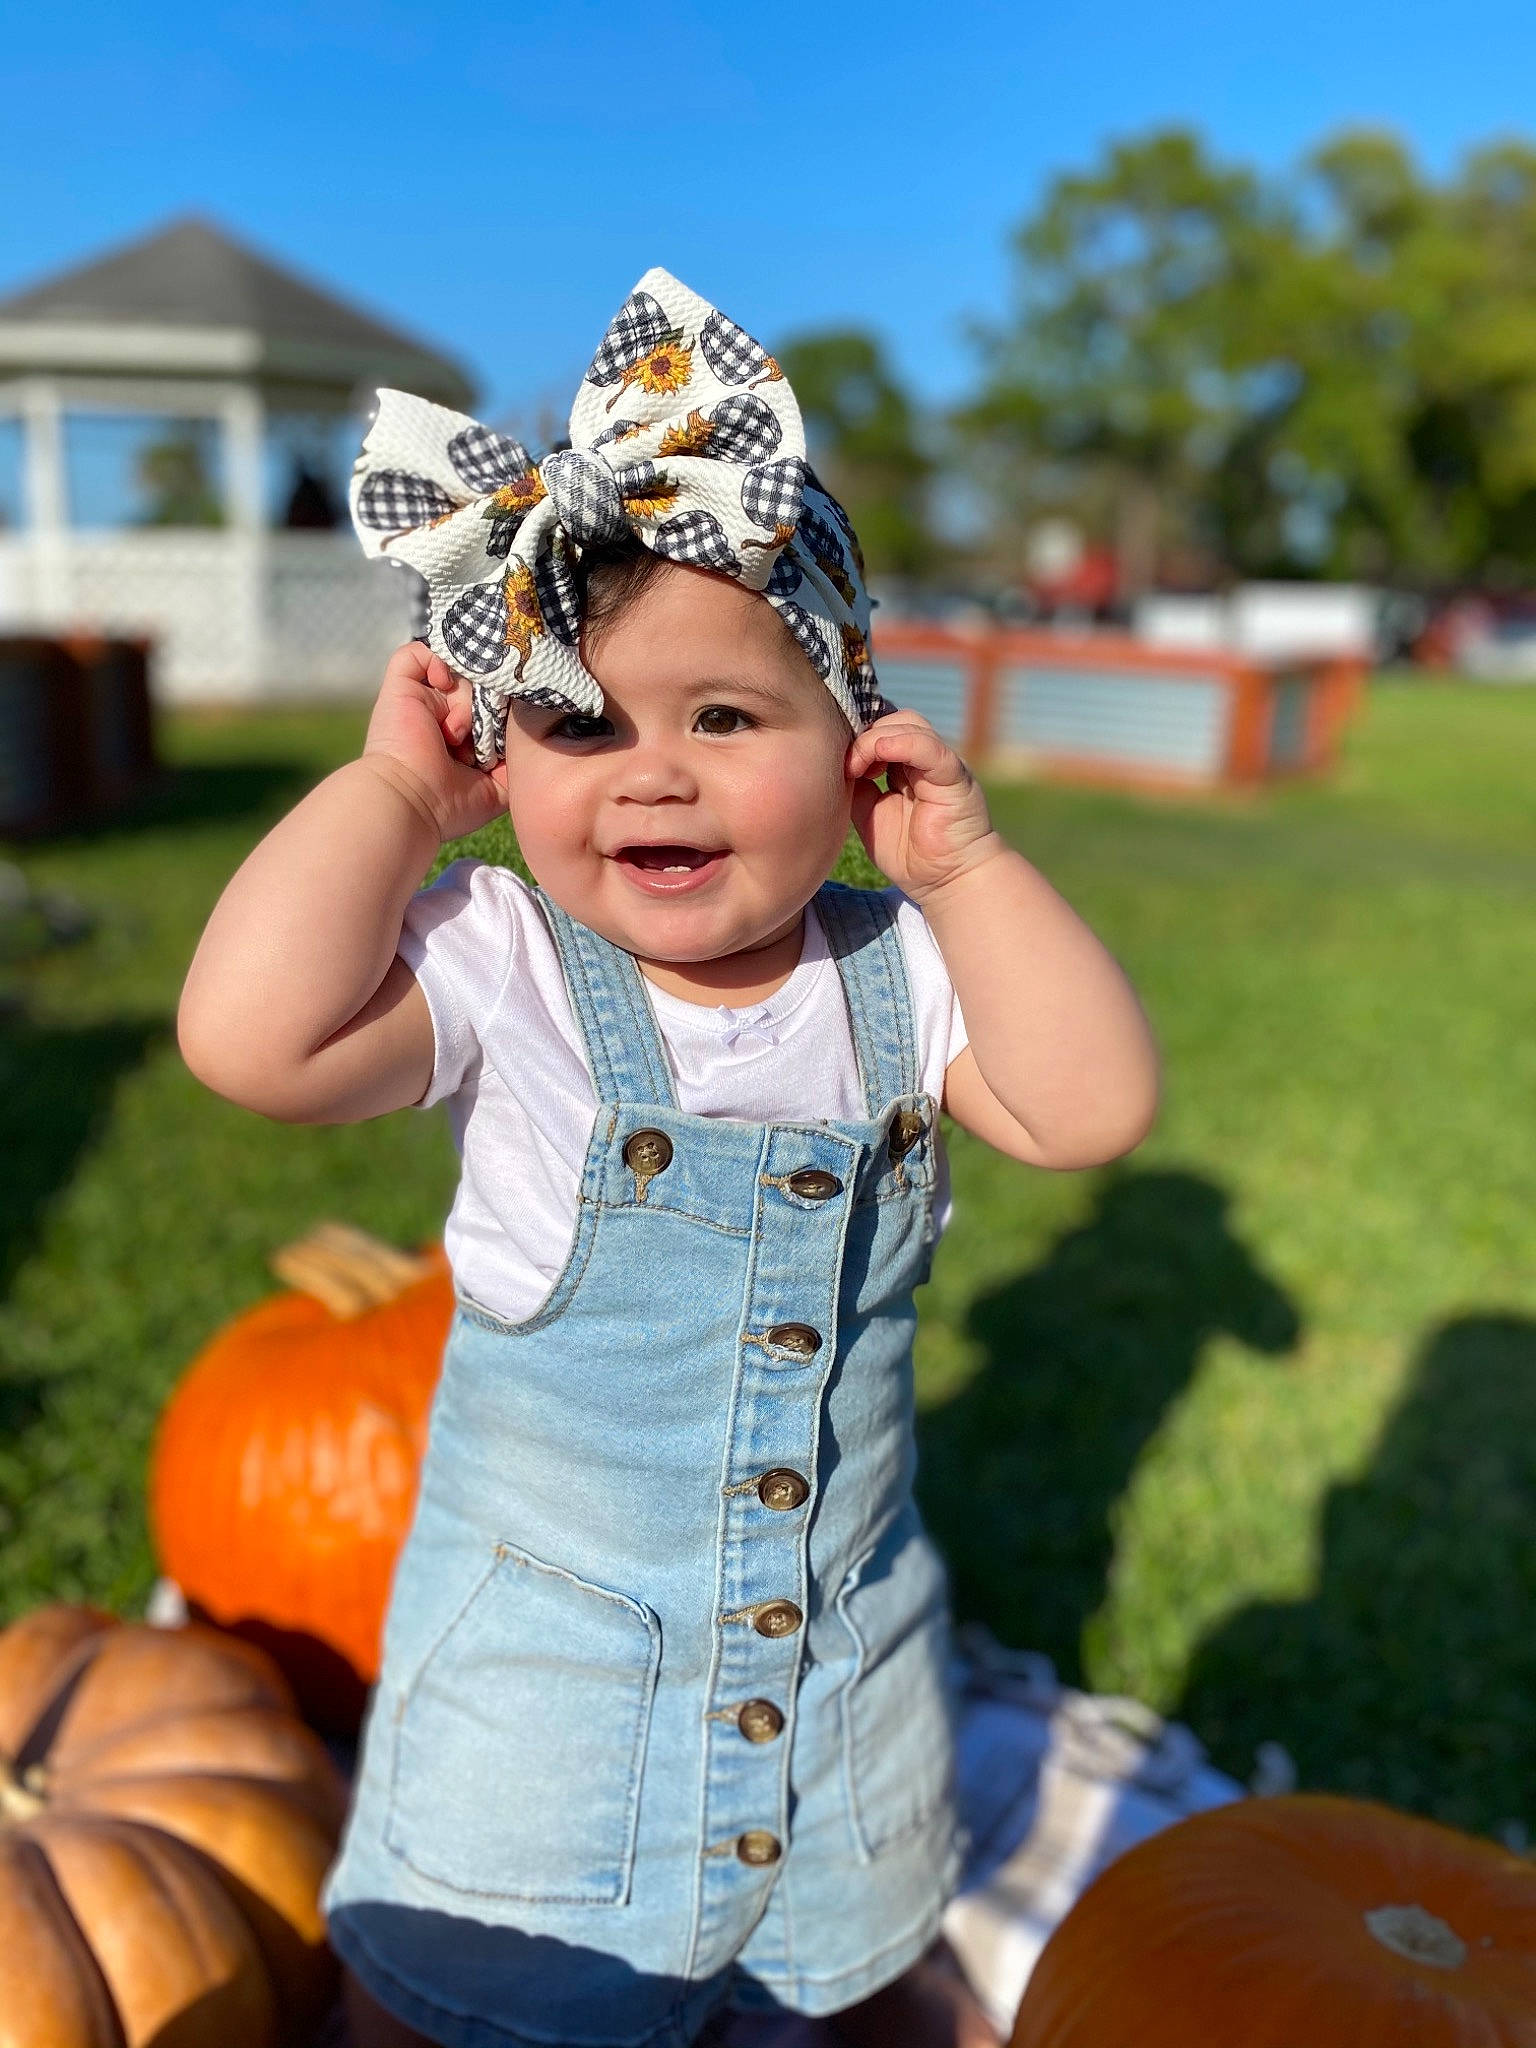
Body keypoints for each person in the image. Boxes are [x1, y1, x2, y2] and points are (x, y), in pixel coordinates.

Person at [177, 269, 1159, 2048]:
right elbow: (253, 1040)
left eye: (724, 718)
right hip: (544, 1713)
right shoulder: (506, 961)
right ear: (500, 747)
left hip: (837, 1682)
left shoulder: (907, 968)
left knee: (858, 2000)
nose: (652, 777)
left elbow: (1090, 1111)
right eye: (580, 723)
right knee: (453, 2011)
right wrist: (394, 797)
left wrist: (970, 874)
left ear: (852, 739)